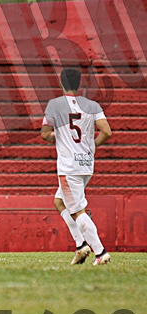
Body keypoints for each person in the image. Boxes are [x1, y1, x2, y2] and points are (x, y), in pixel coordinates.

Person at [41, 68, 112, 265]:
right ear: (80, 84)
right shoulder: (93, 105)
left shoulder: (55, 105)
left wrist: (56, 136)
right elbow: (106, 132)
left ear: (60, 83)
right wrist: (92, 146)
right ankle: (81, 245)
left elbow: (45, 134)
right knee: (59, 202)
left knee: (77, 210)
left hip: (69, 167)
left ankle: (100, 252)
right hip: (86, 164)